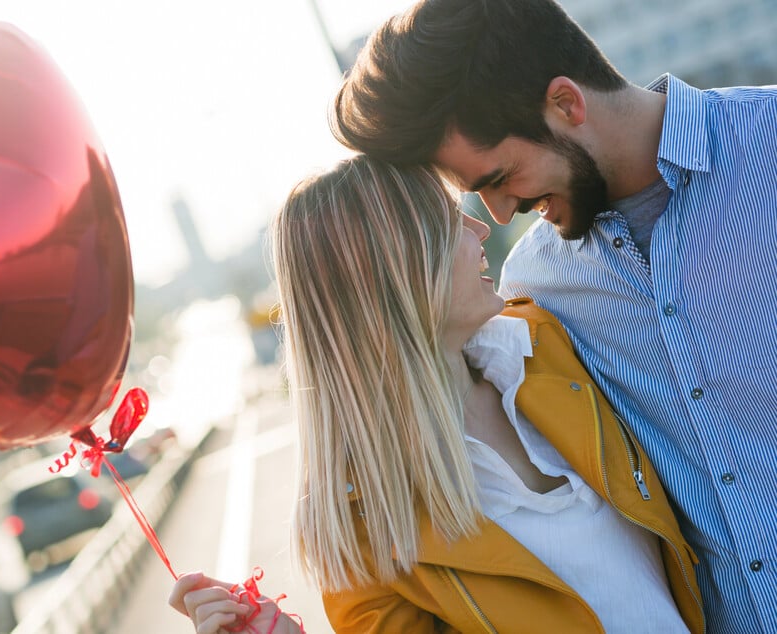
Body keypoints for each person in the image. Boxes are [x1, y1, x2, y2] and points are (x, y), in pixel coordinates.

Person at [330, 1, 777, 632]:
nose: (500, 212)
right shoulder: (534, 288)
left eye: (501, 176)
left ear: (566, 102)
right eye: (475, 192)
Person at [169, 154, 703, 633]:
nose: (479, 227)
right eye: (449, 220)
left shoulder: (550, 340)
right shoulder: (363, 531)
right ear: (395, 271)